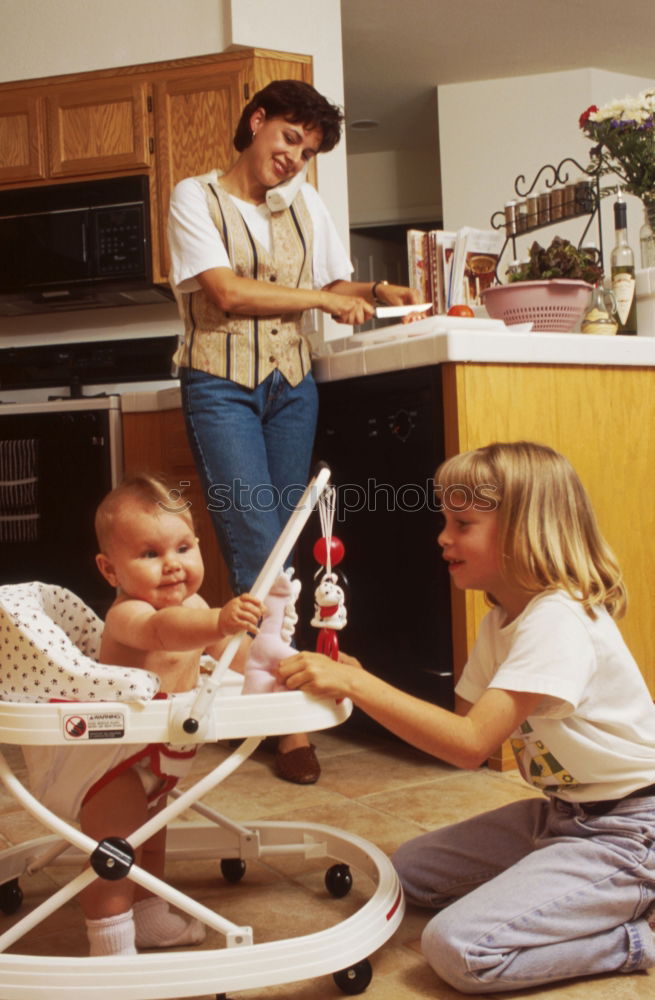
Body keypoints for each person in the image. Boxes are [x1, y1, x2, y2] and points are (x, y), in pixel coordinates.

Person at [278, 441, 655, 993]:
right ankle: (569, 888)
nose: (443, 537)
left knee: (459, 950)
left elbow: (469, 745)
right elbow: (455, 726)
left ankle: (637, 938)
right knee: (408, 871)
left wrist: (360, 685)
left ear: (523, 530)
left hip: (630, 828)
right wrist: (357, 680)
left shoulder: (559, 619)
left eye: (463, 523)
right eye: (445, 520)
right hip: (563, 815)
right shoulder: (503, 616)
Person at [167, 78, 420, 785]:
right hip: (219, 385)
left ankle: (265, 691)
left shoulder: (305, 204)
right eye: (287, 139)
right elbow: (227, 293)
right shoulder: (196, 197)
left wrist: (373, 291)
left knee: (292, 547)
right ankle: (281, 724)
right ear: (256, 121)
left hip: (290, 387)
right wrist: (324, 299)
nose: (293, 159)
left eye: (304, 152)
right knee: (258, 544)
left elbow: (334, 289)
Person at [50, 475, 263, 957]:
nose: (172, 566)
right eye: (149, 554)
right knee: (117, 847)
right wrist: (218, 621)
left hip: (162, 751)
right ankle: (110, 943)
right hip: (115, 761)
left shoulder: (197, 606)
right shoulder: (127, 615)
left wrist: (273, 664)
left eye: (184, 547)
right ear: (110, 570)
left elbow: (232, 649)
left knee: (153, 842)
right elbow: (165, 632)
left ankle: (148, 918)